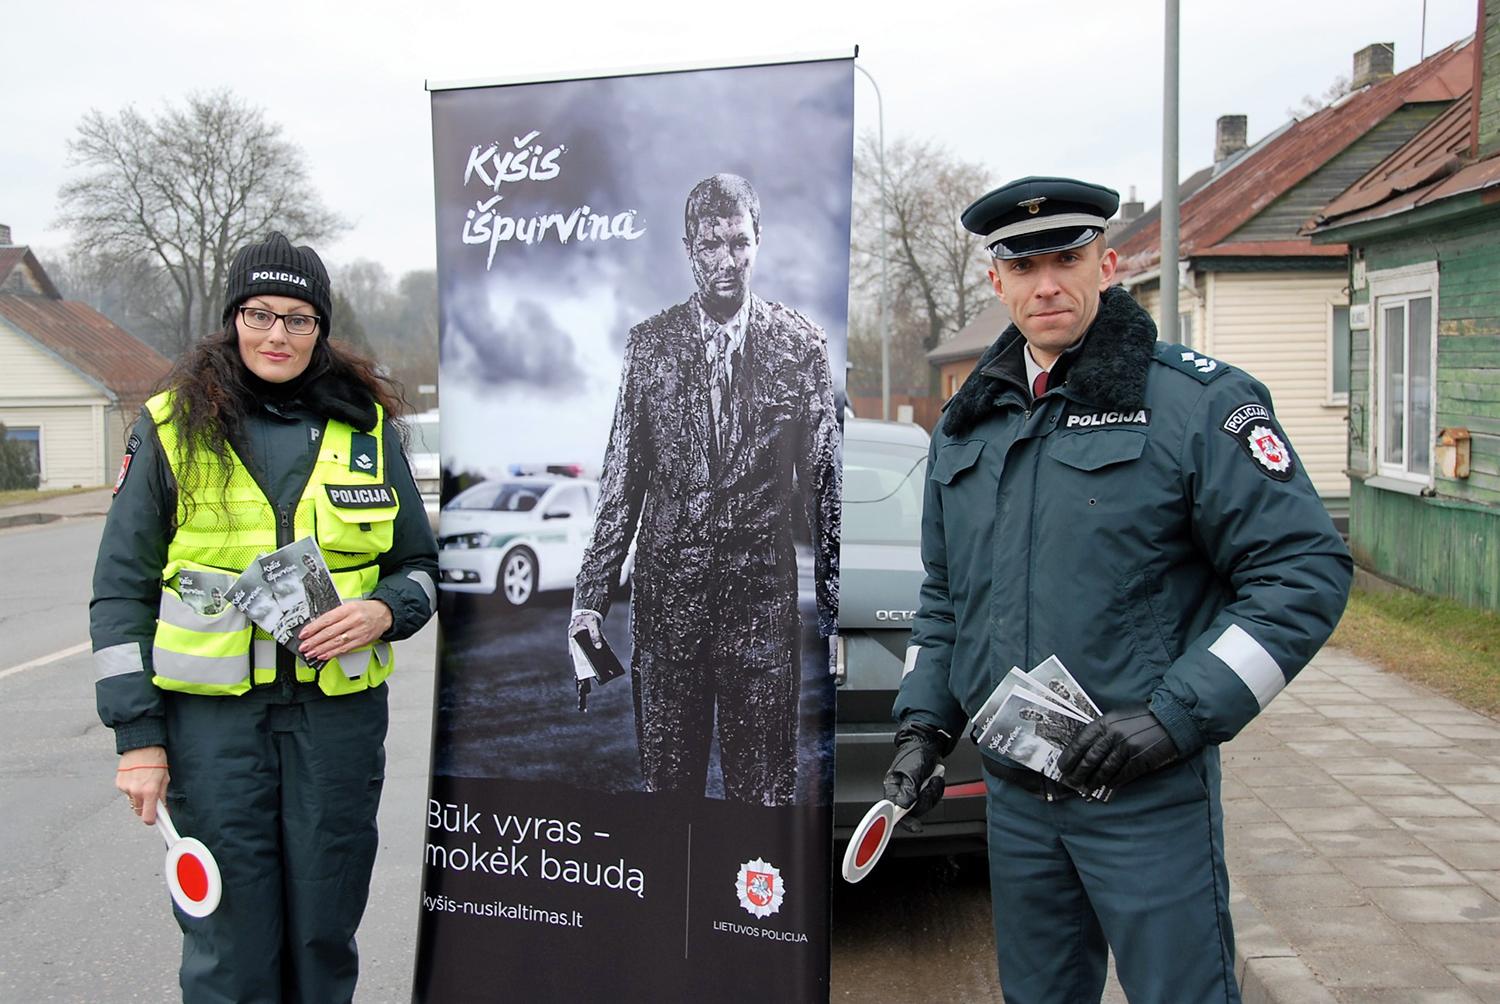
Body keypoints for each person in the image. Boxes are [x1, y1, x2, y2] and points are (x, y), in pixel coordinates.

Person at [884, 177, 1352, 1003]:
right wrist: (923, 727)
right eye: (1023, 267)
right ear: (996, 283)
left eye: (1066, 259)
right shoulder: (970, 424)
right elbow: (946, 597)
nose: (1046, 284)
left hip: (1145, 797)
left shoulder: (1196, 404)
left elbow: (1303, 572)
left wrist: (1176, 716)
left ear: (1108, 263)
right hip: (1018, 800)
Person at [90, 232, 438, 1002]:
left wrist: (383, 609)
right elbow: (120, 592)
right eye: (259, 313)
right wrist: (138, 740)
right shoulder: (170, 425)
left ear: (320, 330)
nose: (277, 334)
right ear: (232, 318)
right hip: (214, 732)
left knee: (323, 932)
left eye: (298, 317)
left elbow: (420, 566)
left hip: (336, 723)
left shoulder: (367, 430)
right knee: (231, 946)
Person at [568, 173, 841, 806]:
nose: (727, 262)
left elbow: (824, 488)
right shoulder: (649, 347)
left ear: (758, 240)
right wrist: (590, 600)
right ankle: (669, 906)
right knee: (669, 798)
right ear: (689, 246)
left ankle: (750, 908)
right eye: (711, 246)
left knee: (763, 802)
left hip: (762, 613)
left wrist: (834, 615)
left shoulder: (801, 347)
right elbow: (621, 483)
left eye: (739, 243)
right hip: (667, 614)